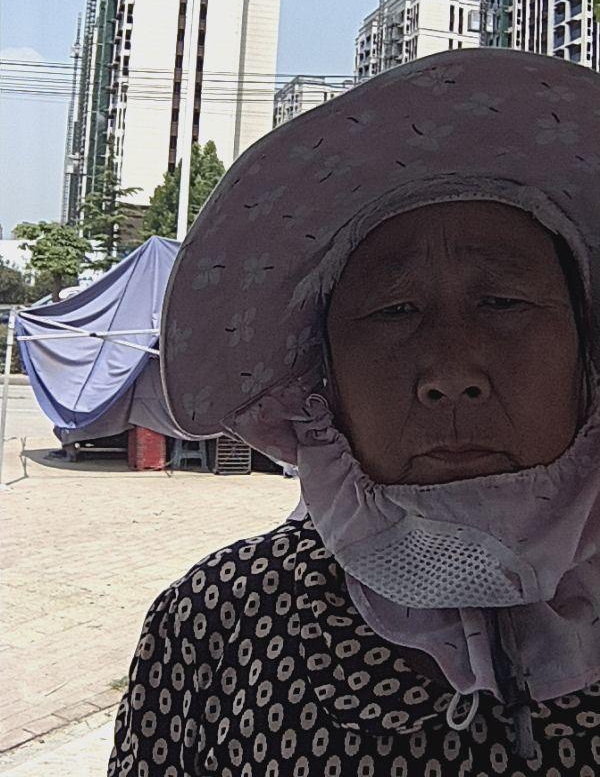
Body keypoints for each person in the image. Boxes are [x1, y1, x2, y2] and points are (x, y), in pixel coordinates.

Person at [108, 48, 600, 776]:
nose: (451, 374)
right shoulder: (211, 625)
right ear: (324, 380)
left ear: (588, 354)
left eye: (503, 303)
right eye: (394, 311)